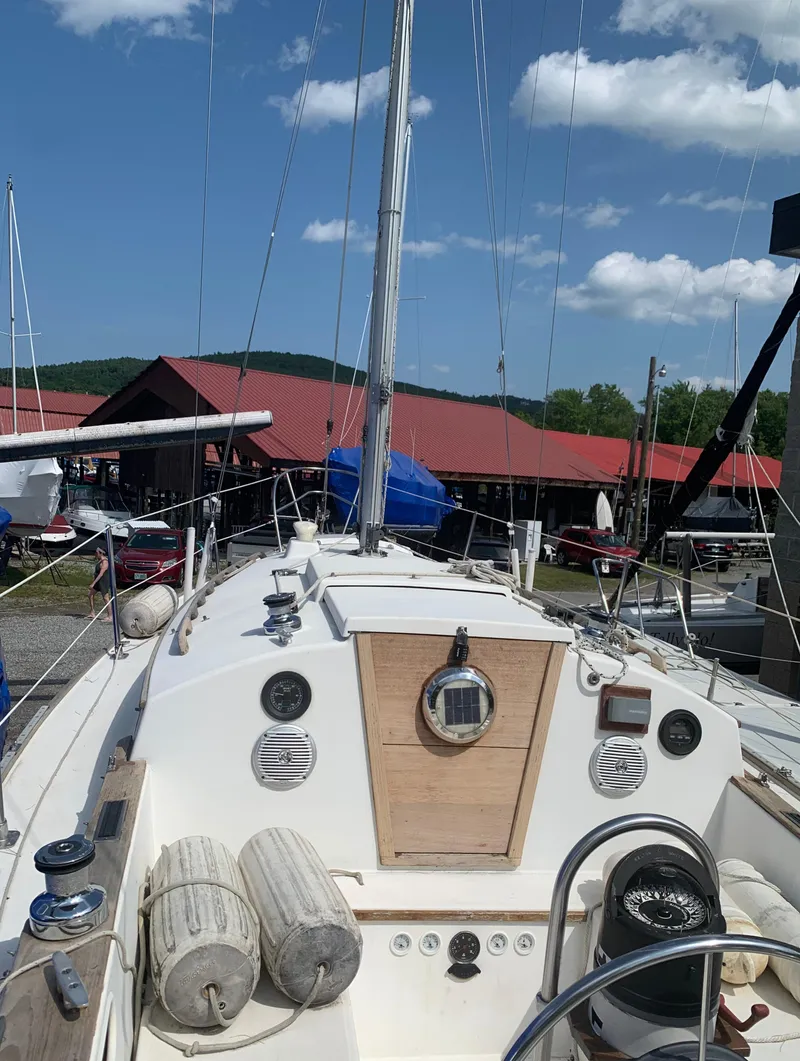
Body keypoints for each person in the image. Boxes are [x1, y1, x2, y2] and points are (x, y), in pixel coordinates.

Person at [88, 547, 113, 622]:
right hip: (98, 581)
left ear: (100, 553)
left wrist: (93, 583)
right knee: (90, 594)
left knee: (106, 598)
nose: (95, 554)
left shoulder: (105, 562)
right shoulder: (99, 561)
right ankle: (92, 612)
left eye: (96, 553)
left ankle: (110, 616)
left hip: (103, 581)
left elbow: (101, 574)